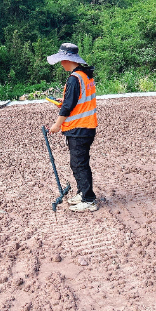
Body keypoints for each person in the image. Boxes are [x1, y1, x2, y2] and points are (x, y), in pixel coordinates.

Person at [46, 43, 98, 212]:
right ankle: (83, 192)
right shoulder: (85, 75)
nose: (61, 64)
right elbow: (76, 102)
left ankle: (89, 199)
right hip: (86, 127)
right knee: (80, 163)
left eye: (62, 60)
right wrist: (63, 104)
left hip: (79, 128)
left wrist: (56, 125)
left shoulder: (74, 79)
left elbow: (68, 107)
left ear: (69, 59)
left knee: (78, 164)